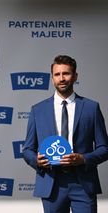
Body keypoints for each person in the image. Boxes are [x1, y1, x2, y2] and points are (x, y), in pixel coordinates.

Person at [23, 55, 108, 213]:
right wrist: (37, 161)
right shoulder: (38, 110)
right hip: (51, 183)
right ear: (52, 78)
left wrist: (83, 159)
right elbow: (27, 149)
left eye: (66, 73)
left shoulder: (91, 108)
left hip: (83, 183)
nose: (61, 78)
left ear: (75, 76)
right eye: (57, 74)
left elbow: (104, 148)